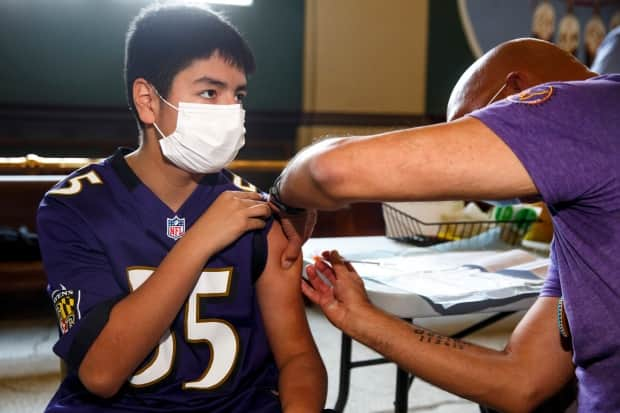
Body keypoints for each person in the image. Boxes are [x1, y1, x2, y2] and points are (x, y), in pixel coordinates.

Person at [269, 38, 620, 412]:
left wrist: (284, 198)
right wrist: (363, 319)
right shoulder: (580, 216)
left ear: (519, 93)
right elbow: (521, 381)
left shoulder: (582, 109)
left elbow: (330, 169)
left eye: (477, 126)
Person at [38, 4, 328, 412]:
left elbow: (299, 358)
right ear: (148, 101)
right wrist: (199, 241)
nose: (230, 111)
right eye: (210, 92)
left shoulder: (258, 212)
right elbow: (100, 375)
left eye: (238, 96)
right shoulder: (76, 206)